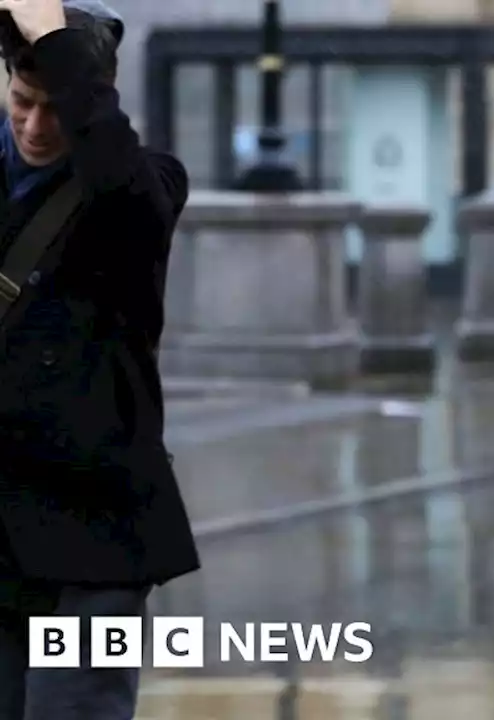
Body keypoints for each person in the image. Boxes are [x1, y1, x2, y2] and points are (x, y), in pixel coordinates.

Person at [0, 0, 200, 717]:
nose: (34, 126)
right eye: (22, 102)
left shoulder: (142, 185)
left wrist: (57, 43)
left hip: (94, 537)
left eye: (56, 108)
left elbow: (125, 194)